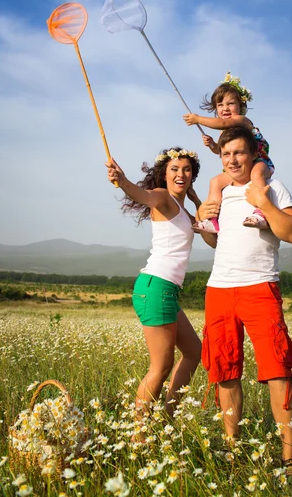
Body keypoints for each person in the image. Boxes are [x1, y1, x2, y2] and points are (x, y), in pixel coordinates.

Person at [197, 125, 292, 475]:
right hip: (219, 289)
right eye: (226, 154)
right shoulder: (222, 193)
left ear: (254, 154)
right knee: (224, 370)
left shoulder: (272, 188)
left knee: (277, 370)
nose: (232, 160)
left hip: (260, 287)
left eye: (238, 153)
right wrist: (204, 221)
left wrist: (263, 205)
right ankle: (233, 451)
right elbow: (218, 242)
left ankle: (290, 460)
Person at [106, 147, 213, 424]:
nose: (181, 174)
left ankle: (167, 418)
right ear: (164, 175)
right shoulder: (163, 198)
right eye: (175, 169)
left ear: (192, 176)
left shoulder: (184, 211)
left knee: (193, 352)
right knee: (161, 366)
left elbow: (211, 237)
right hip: (156, 286)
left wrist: (196, 200)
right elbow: (145, 196)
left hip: (166, 290)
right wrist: (123, 180)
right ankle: (138, 434)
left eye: (187, 169)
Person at [183, 72, 274, 231]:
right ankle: (213, 220)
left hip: (259, 161)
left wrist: (198, 119)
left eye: (230, 103)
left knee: (256, 175)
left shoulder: (241, 121)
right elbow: (221, 151)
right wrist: (213, 145)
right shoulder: (224, 132)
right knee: (215, 182)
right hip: (237, 166)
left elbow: (224, 122)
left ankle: (261, 212)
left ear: (241, 107)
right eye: (220, 105)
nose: (225, 108)